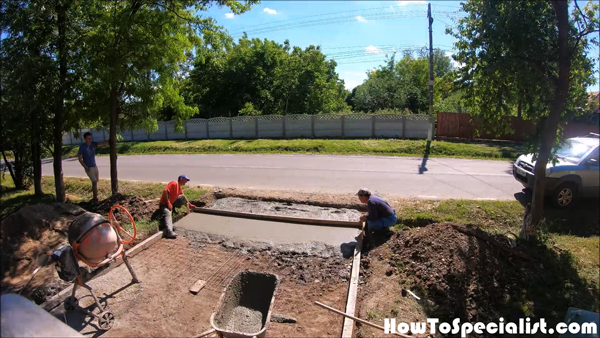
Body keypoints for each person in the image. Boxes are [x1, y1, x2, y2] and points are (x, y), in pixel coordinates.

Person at [77, 132, 108, 204]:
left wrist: (109, 141)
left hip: (94, 166)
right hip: (88, 167)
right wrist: (85, 167)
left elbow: (101, 144)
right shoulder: (82, 147)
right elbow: (80, 159)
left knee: (96, 181)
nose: (90, 140)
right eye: (88, 138)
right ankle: (95, 199)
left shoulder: (92, 144)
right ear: (85, 139)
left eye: (91, 138)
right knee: (94, 182)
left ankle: (94, 197)